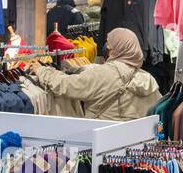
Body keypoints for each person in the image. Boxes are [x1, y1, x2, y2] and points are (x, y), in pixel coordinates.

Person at [22, 26, 161, 122]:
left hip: (105, 143)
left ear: (115, 49)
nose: (106, 46)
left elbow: (67, 85)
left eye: (109, 44)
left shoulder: (106, 73)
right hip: (138, 146)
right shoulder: (147, 79)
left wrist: (41, 70)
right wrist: (77, 69)